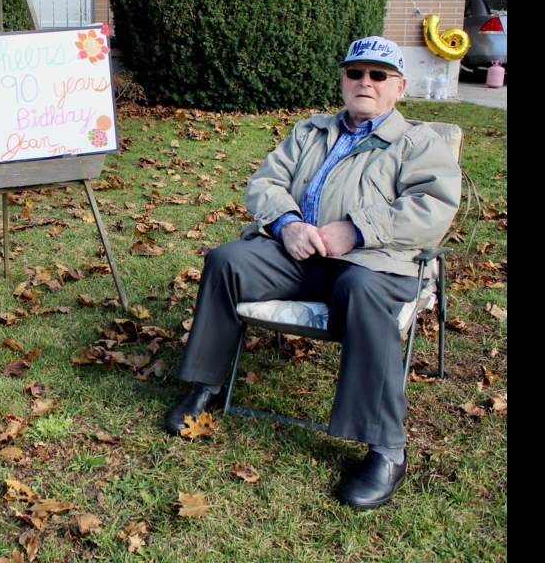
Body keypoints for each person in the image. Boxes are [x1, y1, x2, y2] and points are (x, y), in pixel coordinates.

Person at [163, 37, 461, 509]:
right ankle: (207, 384)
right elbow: (266, 182)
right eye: (355, 73)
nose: (365, 82)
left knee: (361, 290)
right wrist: (287, 223)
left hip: (372, 263)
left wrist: (358, 230)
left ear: (399, 87)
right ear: (343, 80)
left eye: (378, 75)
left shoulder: (417, 142)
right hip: (298, 254)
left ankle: (386, 447)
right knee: (226, 260)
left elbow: (433, 208)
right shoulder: (311, 132)